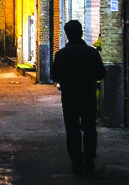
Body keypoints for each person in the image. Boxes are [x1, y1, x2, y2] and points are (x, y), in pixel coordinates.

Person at [50, 20, 106, 175]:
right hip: (87, 96)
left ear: (67, 35)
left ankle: (76, 163)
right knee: (89, 128)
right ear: (81, 32)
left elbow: (54, 75)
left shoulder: (61, 54)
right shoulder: (92, 53)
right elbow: (101, 74)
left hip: (69, 98)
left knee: (72, 130)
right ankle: (89, 158)